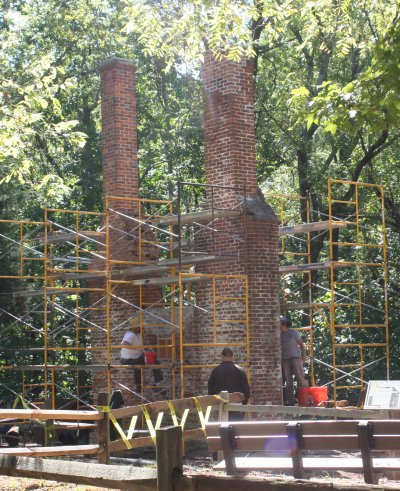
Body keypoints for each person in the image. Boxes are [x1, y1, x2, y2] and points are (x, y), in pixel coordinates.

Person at [208, 347, 250, 420]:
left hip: (220, 409)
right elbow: (247, 393)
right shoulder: (240, 371)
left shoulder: (215, 371)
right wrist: (242, 406)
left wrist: (215, 407)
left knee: (221, 430)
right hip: (237, 409)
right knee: (236, 430)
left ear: (222, 357)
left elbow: (210, 392)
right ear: (233, 357)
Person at [280, 316, 308, 405]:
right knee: (288, 380)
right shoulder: (279, 335)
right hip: (285, 359)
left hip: (296, 357)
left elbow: (301, 344)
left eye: (281, 324)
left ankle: (304, 399)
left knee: (300, 377)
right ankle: (290, 401)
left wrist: (303, 355)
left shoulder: (293, 332)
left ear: (284, 324)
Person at [120, 317, 145, 393]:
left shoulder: (137, 334)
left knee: (147, 360)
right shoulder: (130, 334)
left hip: (134, 357)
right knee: (138, 364)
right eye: (139, 326)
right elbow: (124, 344)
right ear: (134, 327)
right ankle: (138, 385)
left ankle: (157, 381)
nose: (140, 327)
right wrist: (136, 349)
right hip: (127, 359)